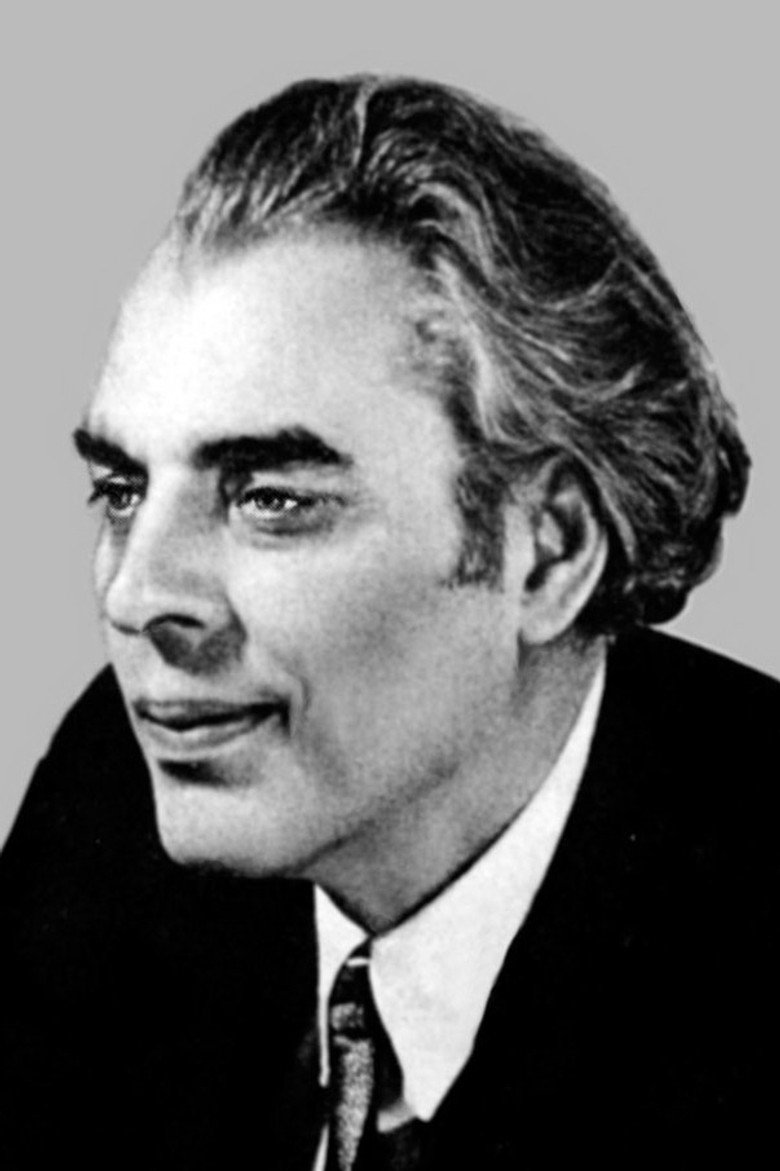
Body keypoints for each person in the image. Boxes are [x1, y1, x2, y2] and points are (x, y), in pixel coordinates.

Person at [1, 74, 776, 1169]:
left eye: (273, 498)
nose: (135, 595)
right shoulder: (110, 799)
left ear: (549, 549)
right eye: (123, 491)